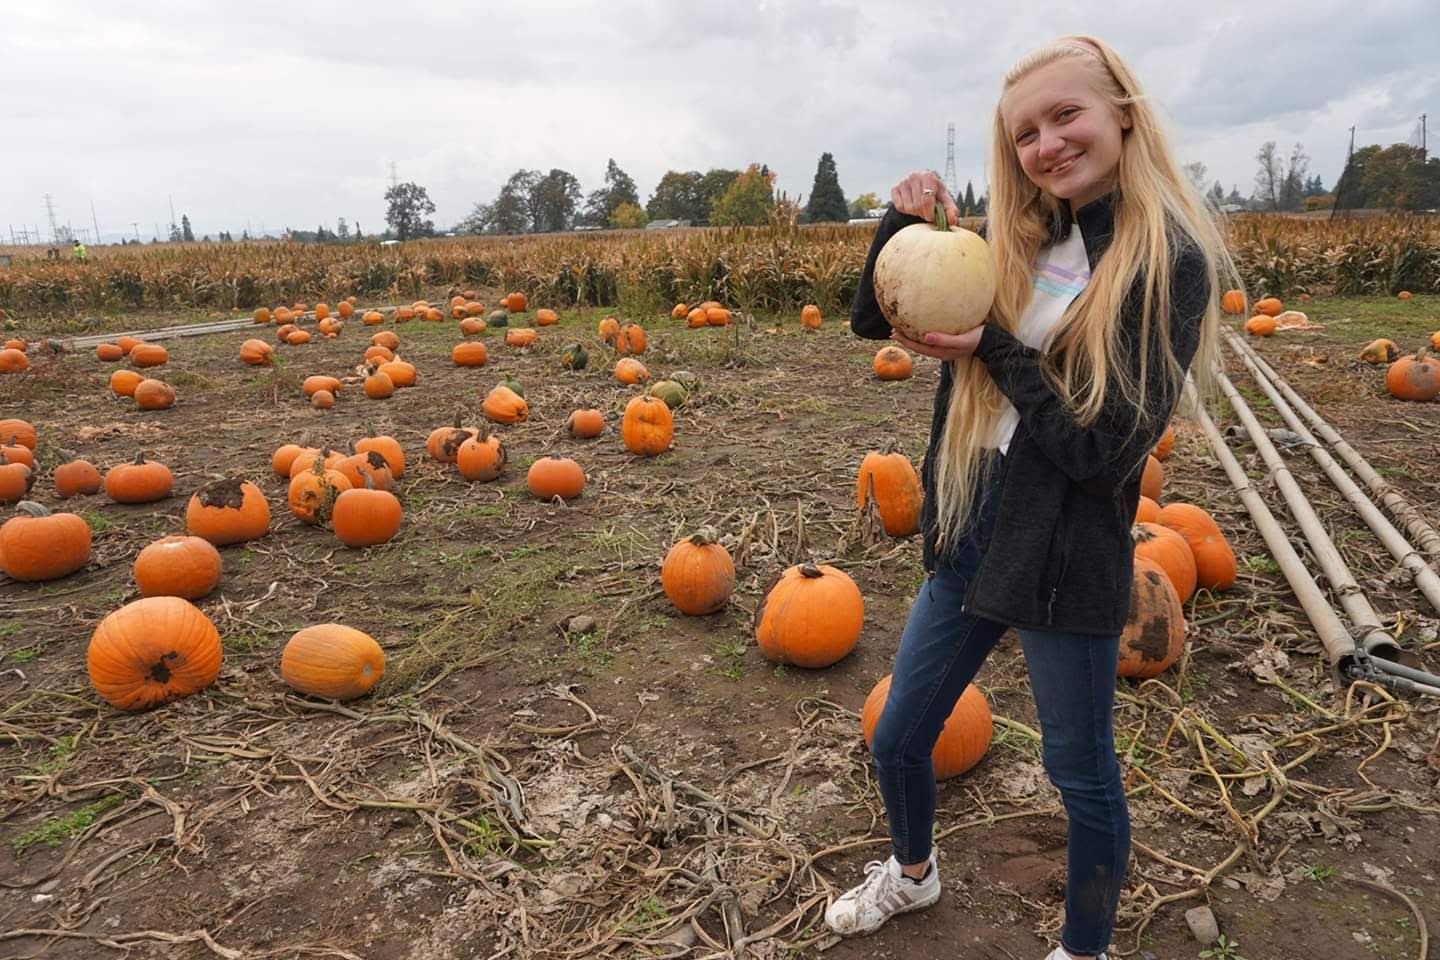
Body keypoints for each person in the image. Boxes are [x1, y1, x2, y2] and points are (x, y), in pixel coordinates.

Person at [826, 34, 1234, 960]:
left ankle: (1084, 947)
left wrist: (996, 350)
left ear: (1121, 114)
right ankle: (914, 876)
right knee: (899, 736)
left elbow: (1102, 450)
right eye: (1024, 134)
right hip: (974, 522)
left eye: (1066, 115)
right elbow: (874, 320)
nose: (1047, 145)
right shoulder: (1020, 237)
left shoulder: (1166, 263)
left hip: (1065, 546)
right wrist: (901, 226)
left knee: (1078, 773)